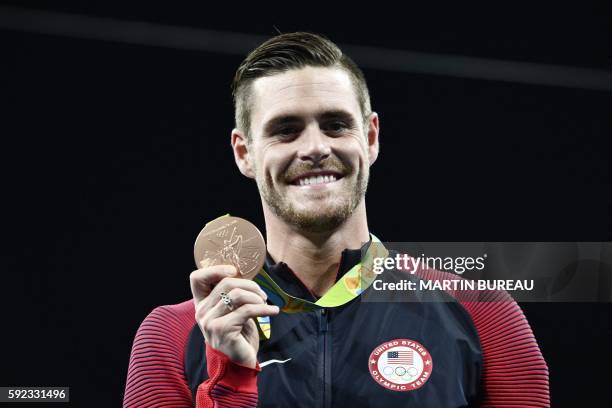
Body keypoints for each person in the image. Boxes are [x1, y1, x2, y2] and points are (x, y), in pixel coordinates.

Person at [123, 32, 550, 407]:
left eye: (335, 125)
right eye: (285, 130)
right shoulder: (175, 334)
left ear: (370, 137)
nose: (313, 148)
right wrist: (231, 381)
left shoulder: (483, 314)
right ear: (244, 153)